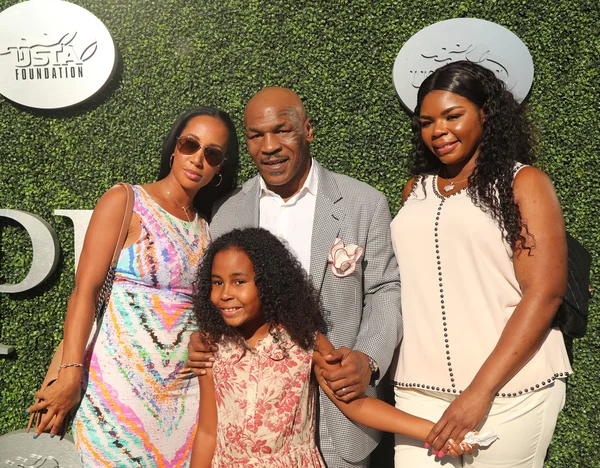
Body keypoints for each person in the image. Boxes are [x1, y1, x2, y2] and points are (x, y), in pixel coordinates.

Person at [187, 87, 403, 467]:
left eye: (282, 130)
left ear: (308, 130)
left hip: (343, 412)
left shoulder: (363, 203)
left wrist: (368, 359)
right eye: (256, 135)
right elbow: (217, 295)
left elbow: (386, 291)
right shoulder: (228, 212)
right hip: (258, 427)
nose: (268, 146)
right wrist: (202, 337)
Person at [26, 107, 240, 467]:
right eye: (191, 144)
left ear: (219, 169)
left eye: (212, 154)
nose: (198, 159)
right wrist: (70, 374)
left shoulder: (207, 229)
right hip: (114, 392)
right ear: (174, 147)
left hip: (182, 397)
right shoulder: (127, 201)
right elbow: (84, 292)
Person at [390, 60, 572, 467]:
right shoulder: (414, 190)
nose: (438, 131)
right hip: (418, 394)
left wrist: (478, 393)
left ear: (485, 114)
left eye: (453, 116)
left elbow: (544, 294)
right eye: (426, 121)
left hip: (510, 392)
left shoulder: (523, 182)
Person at [190, 227, 473, 467]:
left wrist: (433, 431)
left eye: (239, 281)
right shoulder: (211, 346)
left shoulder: (303, 341)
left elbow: (356, 404)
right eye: (217, 283)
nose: (225, 294)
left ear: (269, 284)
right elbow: (207, 431)